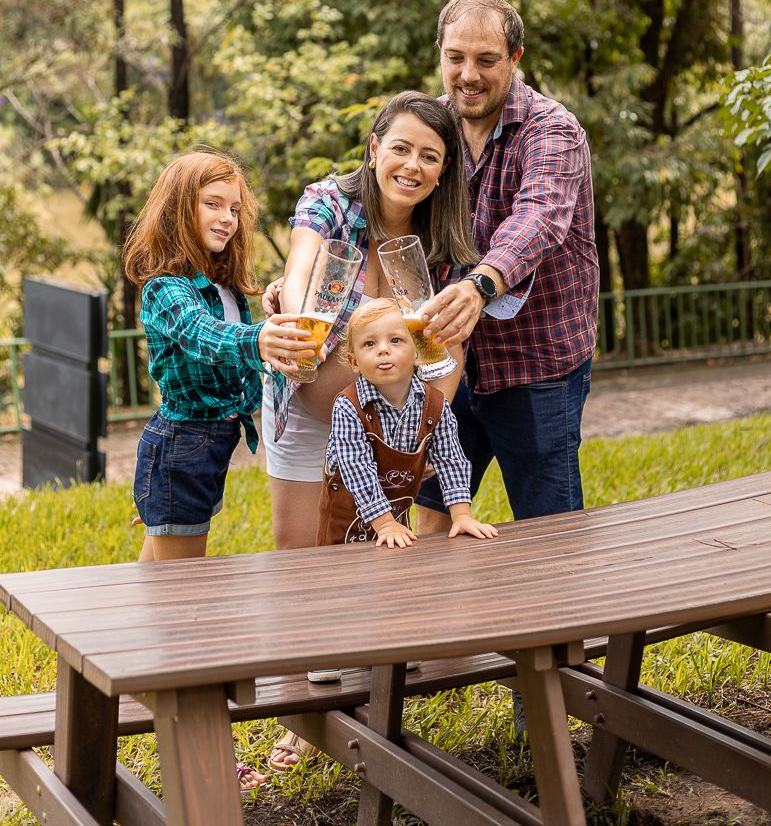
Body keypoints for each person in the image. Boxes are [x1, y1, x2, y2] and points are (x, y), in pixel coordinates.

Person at [262, 91, 479, 772]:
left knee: (379, 548)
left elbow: (443, 354)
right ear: (375, 147)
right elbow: (300, 276)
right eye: (402, 148)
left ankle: (375, 708)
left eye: (430, 157)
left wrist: (422, 408)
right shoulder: (330, 202)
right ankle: (304, 723)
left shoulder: (439, 242)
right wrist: (299, 324)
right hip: (309, 404)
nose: (412, 165)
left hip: (388, 419)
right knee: (303, 561)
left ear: (442, 172)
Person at [123, 149, 310, 793]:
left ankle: (138, 678)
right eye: (213, 204)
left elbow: (242, 338)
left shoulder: (225, 288)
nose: (228, 218)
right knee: (180, 596)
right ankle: (184, 725)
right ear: (180, 208)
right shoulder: (168, 291)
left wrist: (275, 318)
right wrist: (258, 339)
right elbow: (209, 340)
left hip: (204, 449)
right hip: (180, 448)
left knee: (163, 580)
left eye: (235, 208)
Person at [416, 0, 599, 533]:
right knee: (423, 527)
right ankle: (434, 620)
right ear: (441, 54)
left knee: (550, 539)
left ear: (515, 59)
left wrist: (478, 286)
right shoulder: (431, 128)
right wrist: (305, 265)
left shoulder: (552, 130)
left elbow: (538, 218)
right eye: (455, 58)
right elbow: (372, 200)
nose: (468, 75)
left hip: (535, 368)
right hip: (446, 363)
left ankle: (570, 621)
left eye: (486, 60)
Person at [318, 298, 498, 548]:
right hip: (346, 526)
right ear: (354, 362)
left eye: (396, 340)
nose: (383, 349)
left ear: (417, 354)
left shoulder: (434, 404)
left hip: (397, 523)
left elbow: (451, 459)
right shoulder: (348, 407)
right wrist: (384, 524)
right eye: (370, 343)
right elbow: (357, 469)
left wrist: (461, 514)